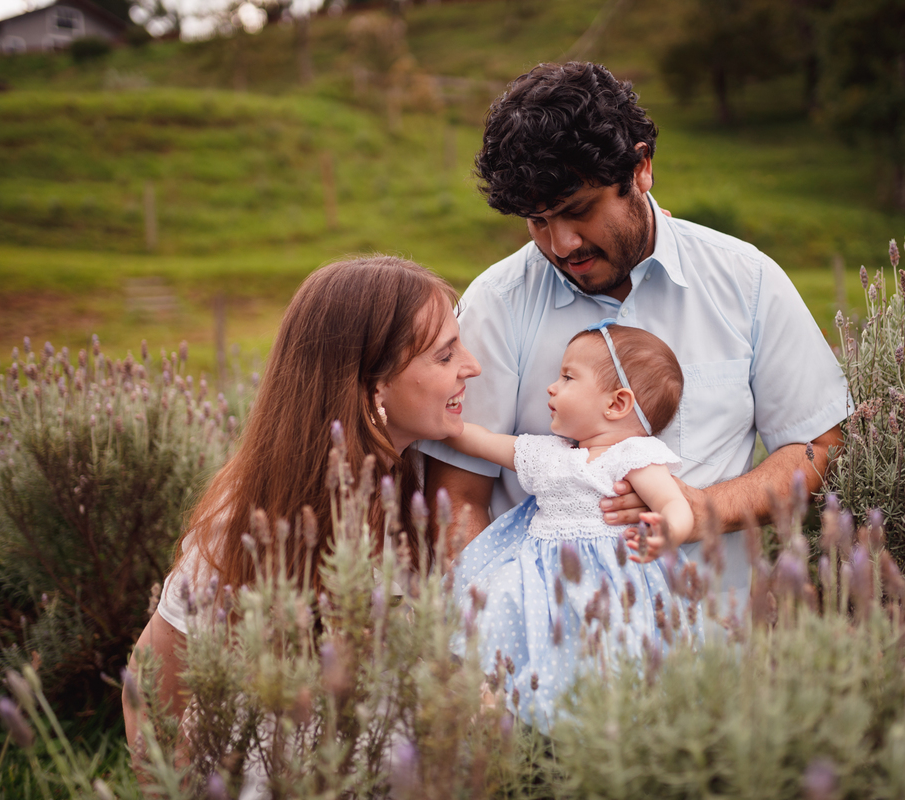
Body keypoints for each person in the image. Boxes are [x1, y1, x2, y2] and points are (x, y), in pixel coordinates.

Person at [419, 62, 849, 602]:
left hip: (714, 652)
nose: (562, 244)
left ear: (641, 168)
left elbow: (816, 446)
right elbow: (457, 496)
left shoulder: (746, 280)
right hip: (538, 662)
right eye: (538, 222)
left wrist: (702, 509)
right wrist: (494, 634)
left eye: (578, 210)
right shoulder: (495, 304)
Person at [122, 256, 481, 783]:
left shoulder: (432, 491)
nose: (470, 366)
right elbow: (152, 683)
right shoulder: (251, 521)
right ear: (373, 387)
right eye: (445, 354)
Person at [444, 319, 700, 727]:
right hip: (536, 579)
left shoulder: (632, 456)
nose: (552, 387)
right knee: (500, 608)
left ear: (617, 404)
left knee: (610, 654)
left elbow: (673, 501)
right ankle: (495, 701)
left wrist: (669, 533)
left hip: (610, 583)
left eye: (567, 377)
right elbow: (481, 440)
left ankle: (599, 722)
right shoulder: (547, 453)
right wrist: (437, 425)